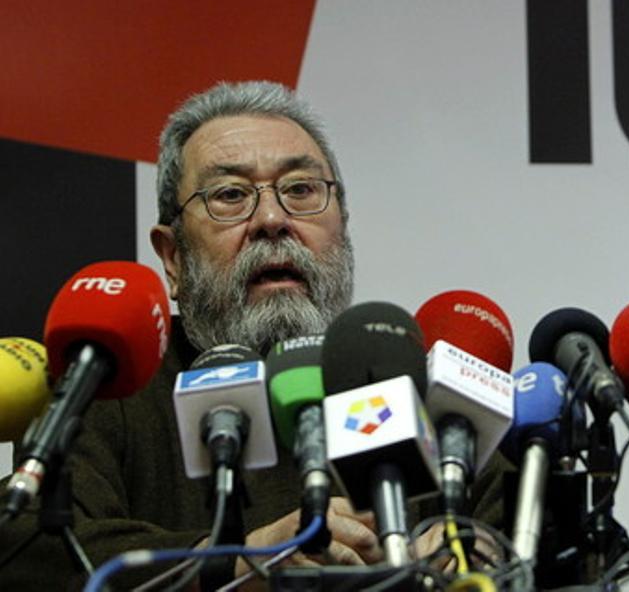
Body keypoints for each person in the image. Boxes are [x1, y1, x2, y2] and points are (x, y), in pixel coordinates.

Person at [0, 81, 505, 589]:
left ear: (343, 229)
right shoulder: (115, 380)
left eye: (301, 190)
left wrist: (473, 550)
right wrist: (236, 564)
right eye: (230, 195)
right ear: (172, 259)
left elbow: (545, 532)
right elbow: (24, 546)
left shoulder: (398, 374)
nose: (272, 220)